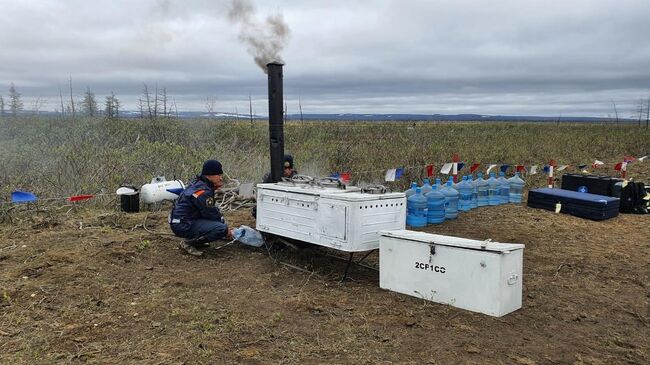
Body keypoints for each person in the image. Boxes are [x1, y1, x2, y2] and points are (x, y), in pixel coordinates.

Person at [169, 159, 233, 256]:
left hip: (180, 221)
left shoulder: (198, 184)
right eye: (218, 175)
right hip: (183, 225)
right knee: (221, 229)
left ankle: (197, 240)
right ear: (209, 175)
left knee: (219, 225)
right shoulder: (203, 191)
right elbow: (211, 213)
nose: (221, 178)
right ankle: (189, 243)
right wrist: (226, 230)